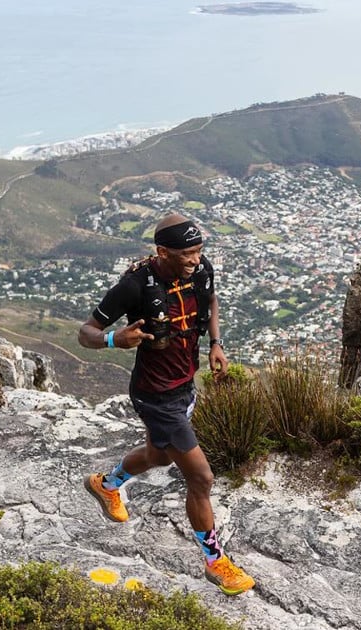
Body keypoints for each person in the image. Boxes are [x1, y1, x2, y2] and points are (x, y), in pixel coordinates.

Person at [77, 213, 255, 596]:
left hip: (183, 385)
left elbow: (210, 300)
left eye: (199, 251)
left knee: (159, 457)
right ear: (162, 252)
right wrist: (114, 341)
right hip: (155, 395)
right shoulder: (135, 284)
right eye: (187, 253)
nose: (195, 259)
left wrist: (216, 344)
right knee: (201, 478)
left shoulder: (200, 269)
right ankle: (215, 563)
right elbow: (85, 332)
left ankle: (106, 485)